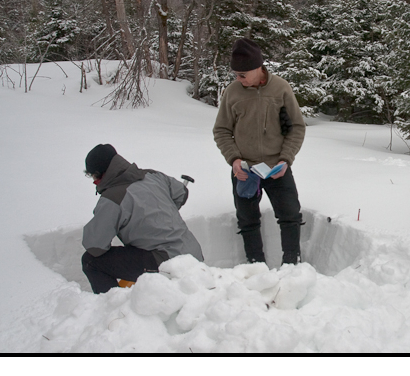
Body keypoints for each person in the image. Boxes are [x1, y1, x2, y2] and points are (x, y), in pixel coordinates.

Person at [213, 38, 306, 266]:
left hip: (277, 167)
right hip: (246, 170)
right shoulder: (232, 93)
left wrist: (286, 160)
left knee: (290, 215)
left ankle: (291, 264)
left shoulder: (281, 88)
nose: (238, 79)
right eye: (235, 74)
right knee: (247, 220)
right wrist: (234, 160)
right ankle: (256, 266)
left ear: (258, 68)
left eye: (242, 75)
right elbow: (222, 130)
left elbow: (297, 127)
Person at [81, 144, 203, 294]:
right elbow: (181, 193)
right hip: (193, 254)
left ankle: (113, 308)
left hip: (165, 262)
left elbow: (95, 246)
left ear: (100, 174)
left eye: (91, 175)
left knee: (90, 261)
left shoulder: (113, 198)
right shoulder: (152, 176)